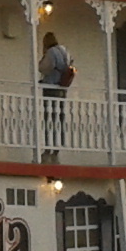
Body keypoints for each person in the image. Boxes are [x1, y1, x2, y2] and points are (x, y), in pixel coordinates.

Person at [38, 30, 74, 160]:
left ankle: (49, 147)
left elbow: (44, 68)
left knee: (50, 118)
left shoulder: (51, 52)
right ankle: (58, 146)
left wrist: (41, 62)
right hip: (62, 88)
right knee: (59, 117)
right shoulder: (64, 50)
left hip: (51, 87)